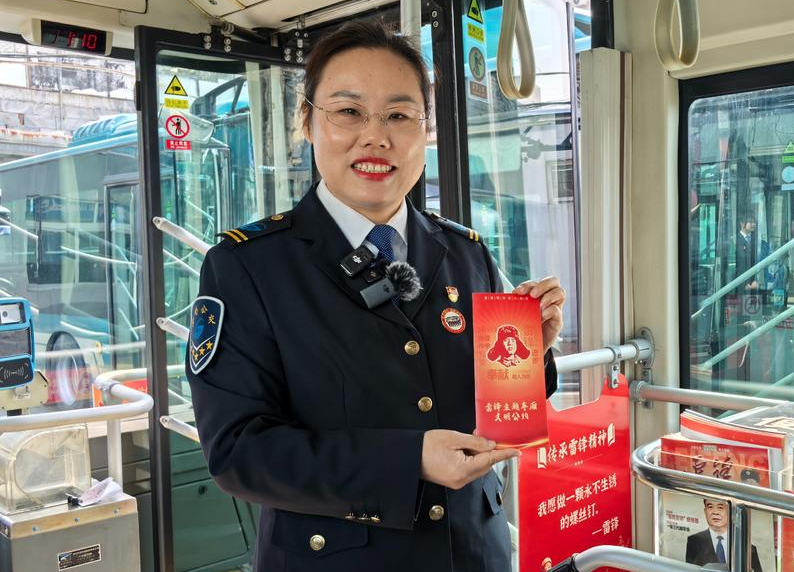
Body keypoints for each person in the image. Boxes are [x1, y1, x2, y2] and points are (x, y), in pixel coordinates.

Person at [186, 20, 566, 572]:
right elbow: (238, 452)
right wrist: (409, 460)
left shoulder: (466, 253)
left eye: (399, 115)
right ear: (307, 122)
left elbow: (486, 404)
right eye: (348, 111)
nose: (375, 137)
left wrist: (531, 355)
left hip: (473, 552)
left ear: (425, 130)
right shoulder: (247, 267)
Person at [685, 499, 763, 572]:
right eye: (710, 507)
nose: (715, 512)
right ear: (705, 511)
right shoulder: (694, 541)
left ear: (731, 511)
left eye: (720, 507)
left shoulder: (748, 548)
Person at [735, 212, 759, 291]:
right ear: (742, 224)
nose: (753, 224)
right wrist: (744, 284)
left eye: (754, 222)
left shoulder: (755, 241)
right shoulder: (736, 240)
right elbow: (739, 265)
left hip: (752, 284)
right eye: (750, 222)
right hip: (741, 284)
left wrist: (754, 280)